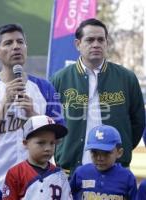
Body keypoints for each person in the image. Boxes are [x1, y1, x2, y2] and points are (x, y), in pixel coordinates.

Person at [0, 23, 64, 189]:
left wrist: (34, 115)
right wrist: (4, 104)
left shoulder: (45, 88)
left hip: (38, 184)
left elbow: (60, 136)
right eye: (8, 43)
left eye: (20, 42)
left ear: (26, 48)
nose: (16, 47)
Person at [51, 18, 145, 175]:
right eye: (90, 40)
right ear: (78, 44)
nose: (96, 44)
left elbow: (138, 122)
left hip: (116, 172)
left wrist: (122, 148)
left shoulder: (127, 78)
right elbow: (51, 123)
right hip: (71, 171)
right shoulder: (60, 79)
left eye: (101, 40)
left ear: (107, 43)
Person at [2, 115, 72, 200]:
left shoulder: (60, 175)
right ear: (25, 143)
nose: (48, 148)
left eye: (52, 143)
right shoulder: (15, 173)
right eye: (41, 143)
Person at [70, 125, 137, 199]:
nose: (100, 158)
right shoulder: (81, 172)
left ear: (119, 153)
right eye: (94, 152)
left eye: (106, 153)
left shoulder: (127, 177)